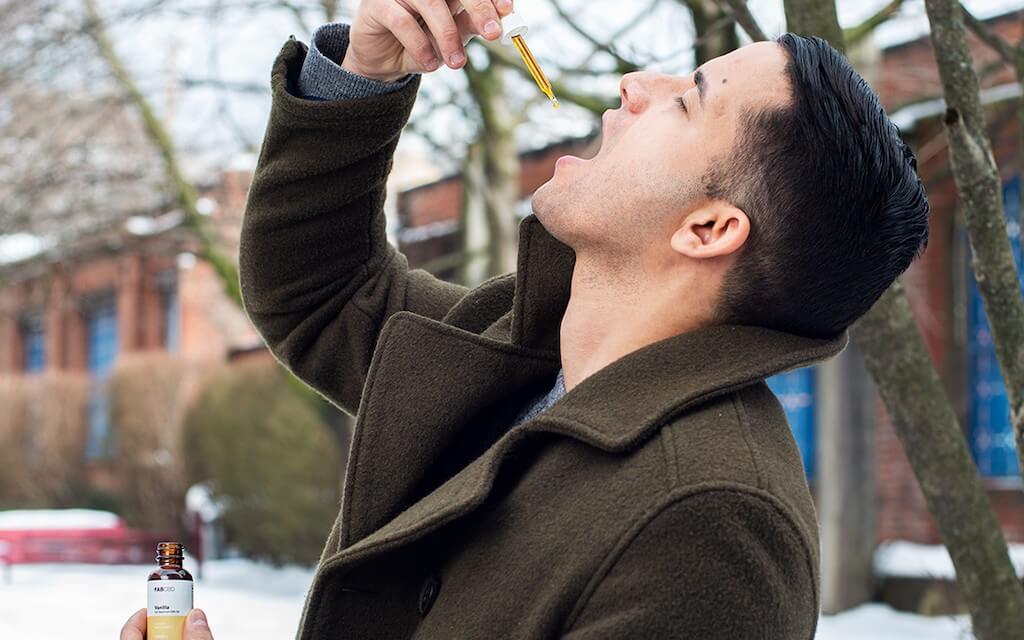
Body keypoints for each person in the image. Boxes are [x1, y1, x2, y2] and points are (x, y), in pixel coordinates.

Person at [122, 0, 928, 637]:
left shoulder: (711, 522)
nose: (634, 84)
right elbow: (324, 297)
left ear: (710, 229)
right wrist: (368, 68)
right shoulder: (528, 360)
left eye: (686, 101)